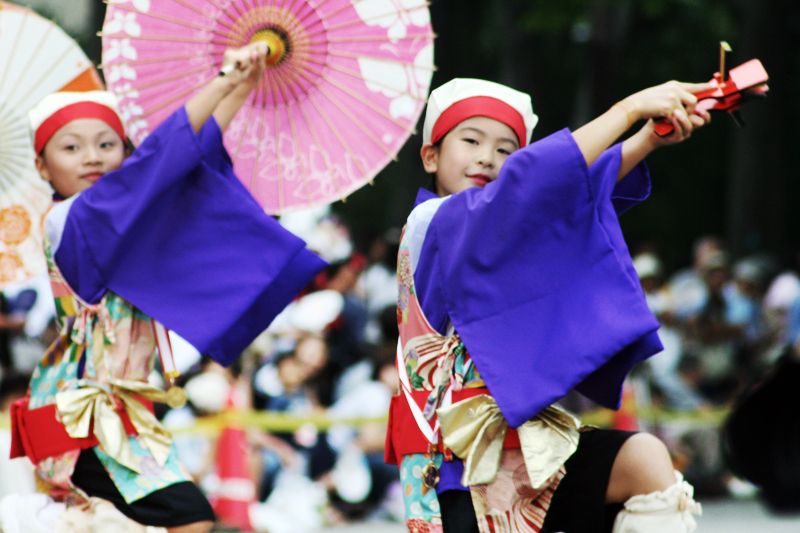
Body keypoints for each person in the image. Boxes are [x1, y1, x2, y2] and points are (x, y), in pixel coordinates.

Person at [8, 43, 326, 533]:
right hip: (82, 416)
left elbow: (183, 160)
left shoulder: (123, 216)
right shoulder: (74, 219)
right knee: (191, 517)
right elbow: (160, 161)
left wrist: (239, 88)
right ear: (44, 168)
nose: (92, 157)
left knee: (140, 520)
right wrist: (223, 80)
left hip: (115, 413)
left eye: (107, 144)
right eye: (71, 147)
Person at [384, 78, 710, 533]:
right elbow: (529, 190)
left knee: (646, 461)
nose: (486, 157)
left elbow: (569, 200)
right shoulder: (431, 223)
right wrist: (628, 108)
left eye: (505, 150)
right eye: (471, 140)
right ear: (430, 156)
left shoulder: (504, 228)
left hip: (529, 448)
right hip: (456, 468)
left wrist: (646, 139)